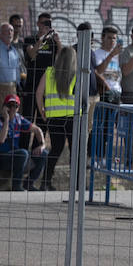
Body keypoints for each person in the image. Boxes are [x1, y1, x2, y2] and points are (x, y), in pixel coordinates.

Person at [37, 46, 77, 192]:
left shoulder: (49, 72)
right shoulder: (77, 74)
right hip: (72, 118)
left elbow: (39, 92)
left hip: (53, 118)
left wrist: (42, 109)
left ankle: (45, 182)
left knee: (56, 150)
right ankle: (76, 184)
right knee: (75, 151)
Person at [0, 94, 47, 192]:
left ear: (18, 108)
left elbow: (37, 130)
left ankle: (29, 183)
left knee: (43, 153)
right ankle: (16, 185)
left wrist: (42, 145)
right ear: (4, 106)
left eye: (15, 106)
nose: (12, 108)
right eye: (10, 105)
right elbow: (1, 139)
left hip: (15, 157)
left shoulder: (18, 119)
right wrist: (6, 119)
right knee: (23, 153)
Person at [21, 12, 60, 120]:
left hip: (47, 86)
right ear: (38, 24)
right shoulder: (30, 39)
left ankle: (40, 137)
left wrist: (58, 41)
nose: (46, 26)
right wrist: (43, 37)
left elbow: (61, 58)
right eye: (44, 23)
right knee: (27, 118)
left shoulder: (53, 42)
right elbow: (32, 54)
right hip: (31, 84)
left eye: (48, 23)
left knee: (43, 120)